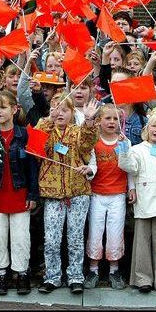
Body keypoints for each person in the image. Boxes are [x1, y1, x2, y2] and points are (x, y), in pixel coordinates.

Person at [35, 95, 99, 294]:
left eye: (64, 109)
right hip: (53, 194)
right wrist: (49, 119)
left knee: (75, 238)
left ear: (72, 113)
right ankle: (52, 276)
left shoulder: (78, 131)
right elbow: (36, 145)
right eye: (56, 108)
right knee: (52, 239)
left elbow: (88, 143)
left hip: (78, 193)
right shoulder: (46, 129)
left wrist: (88, 120)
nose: (60, 113)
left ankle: (75, 276)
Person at [0, 91, 39, 296]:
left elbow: (33, 167)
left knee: (21, 236)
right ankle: (2, 274)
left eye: (3, 107)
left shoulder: (25, 134)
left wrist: (33, 194)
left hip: (19, 192)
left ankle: (22, 273)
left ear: (14, 110)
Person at [118, 107, 156, 294]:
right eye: (154, 126)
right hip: (144, 199)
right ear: (147, 128)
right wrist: (124, 150)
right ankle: (143, 278)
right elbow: (130, 168)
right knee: (142, 241)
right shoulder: (137, 149)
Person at [84, 104, 130, 290]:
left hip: (118, 194)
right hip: (97, 194)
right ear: (98, 121)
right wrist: (88, 171)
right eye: (107, 118)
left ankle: (114, 270)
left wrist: (132, 189)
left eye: (115, 119)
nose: (111, 122)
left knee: (115, 232)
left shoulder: (124, 142)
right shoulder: (94, 141)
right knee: (95, 232)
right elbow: (92, 165)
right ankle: (93, 269)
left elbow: (129, 168)